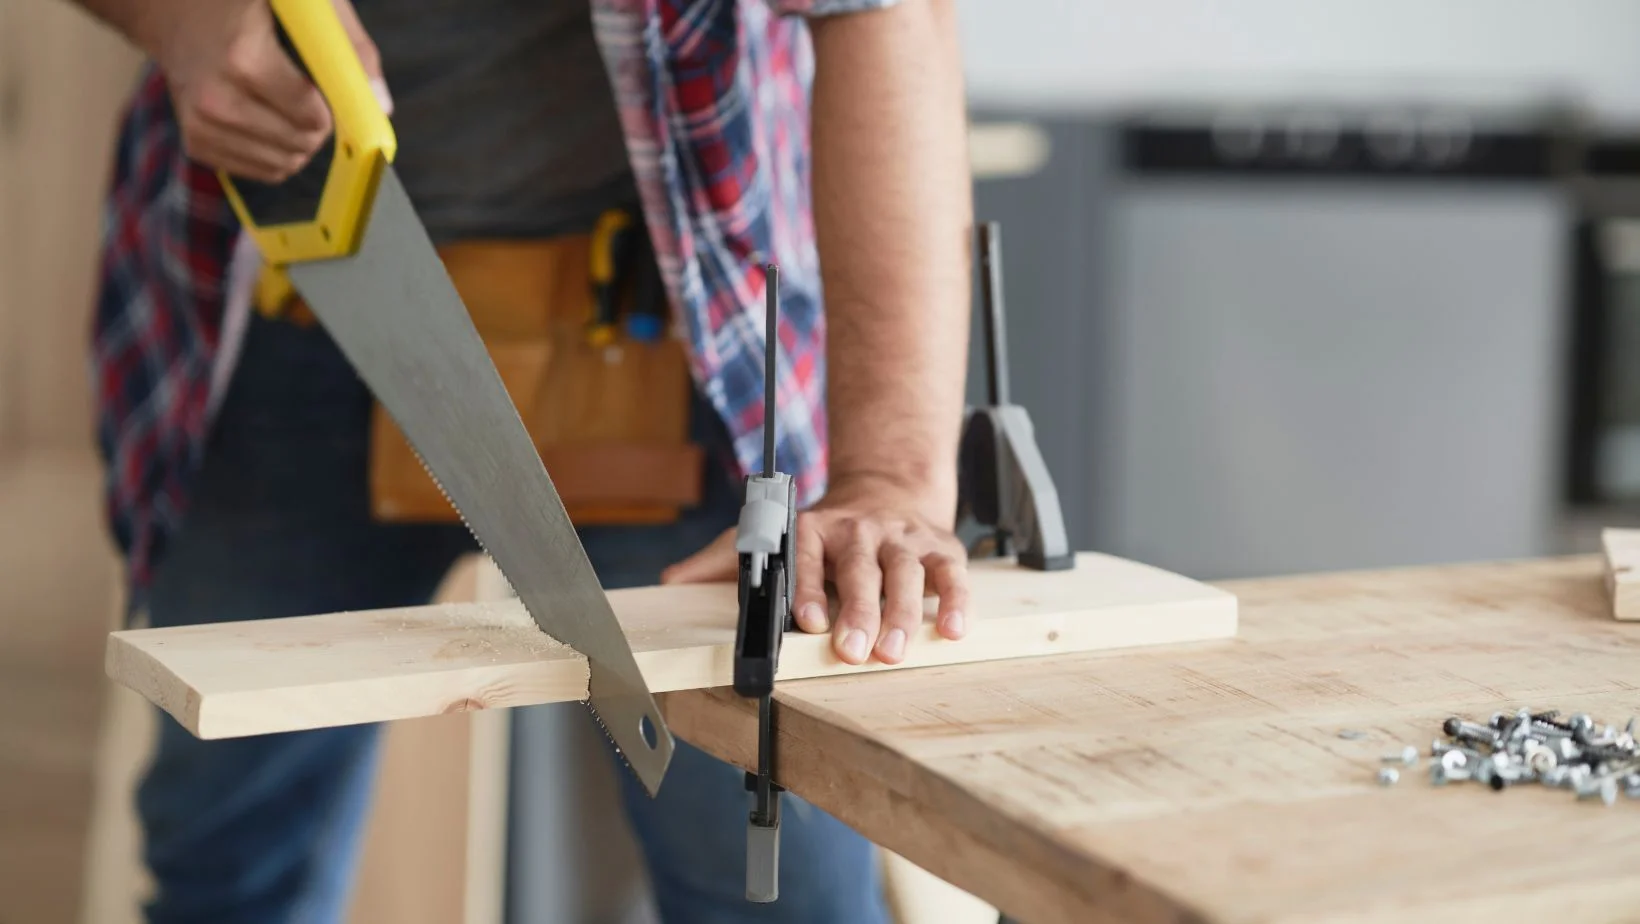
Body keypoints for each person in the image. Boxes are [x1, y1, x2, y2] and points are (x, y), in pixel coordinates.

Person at [70, 0, 974, 919]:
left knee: (768, 886)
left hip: (673, 328)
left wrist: (888, 475)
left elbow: (882, 10)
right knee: (228, 870)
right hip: (282, 289)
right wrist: (178, 17)